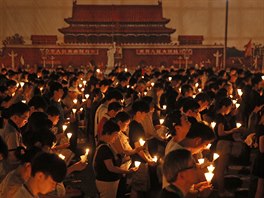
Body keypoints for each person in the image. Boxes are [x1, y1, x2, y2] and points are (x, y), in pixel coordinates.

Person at [93, 119, 137, 198]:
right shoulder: (104, 148)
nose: (115, 138)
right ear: (108, 134)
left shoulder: (105, 145)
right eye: (115, 135)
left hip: (108, 181)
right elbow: (111, 168)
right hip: (106, 182)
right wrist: (127, 171)